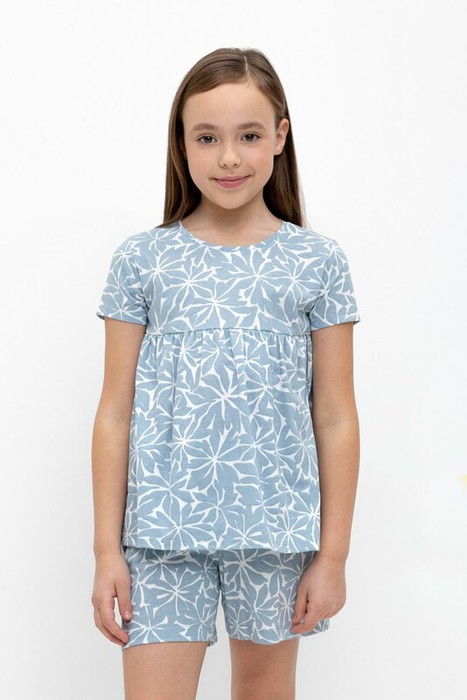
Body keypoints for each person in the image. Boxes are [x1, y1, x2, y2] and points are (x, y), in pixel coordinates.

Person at [91, 46, 362, 700]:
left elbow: (334, 415)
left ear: (280, 137)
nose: (229, 158)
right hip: (159, 535)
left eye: (249, 136)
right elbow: (115, 413)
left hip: (276, 532)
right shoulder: (143, 260)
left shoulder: (317, 262)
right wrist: (106, 552)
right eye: (207, 138)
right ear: (182, 145)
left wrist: (332, 556)